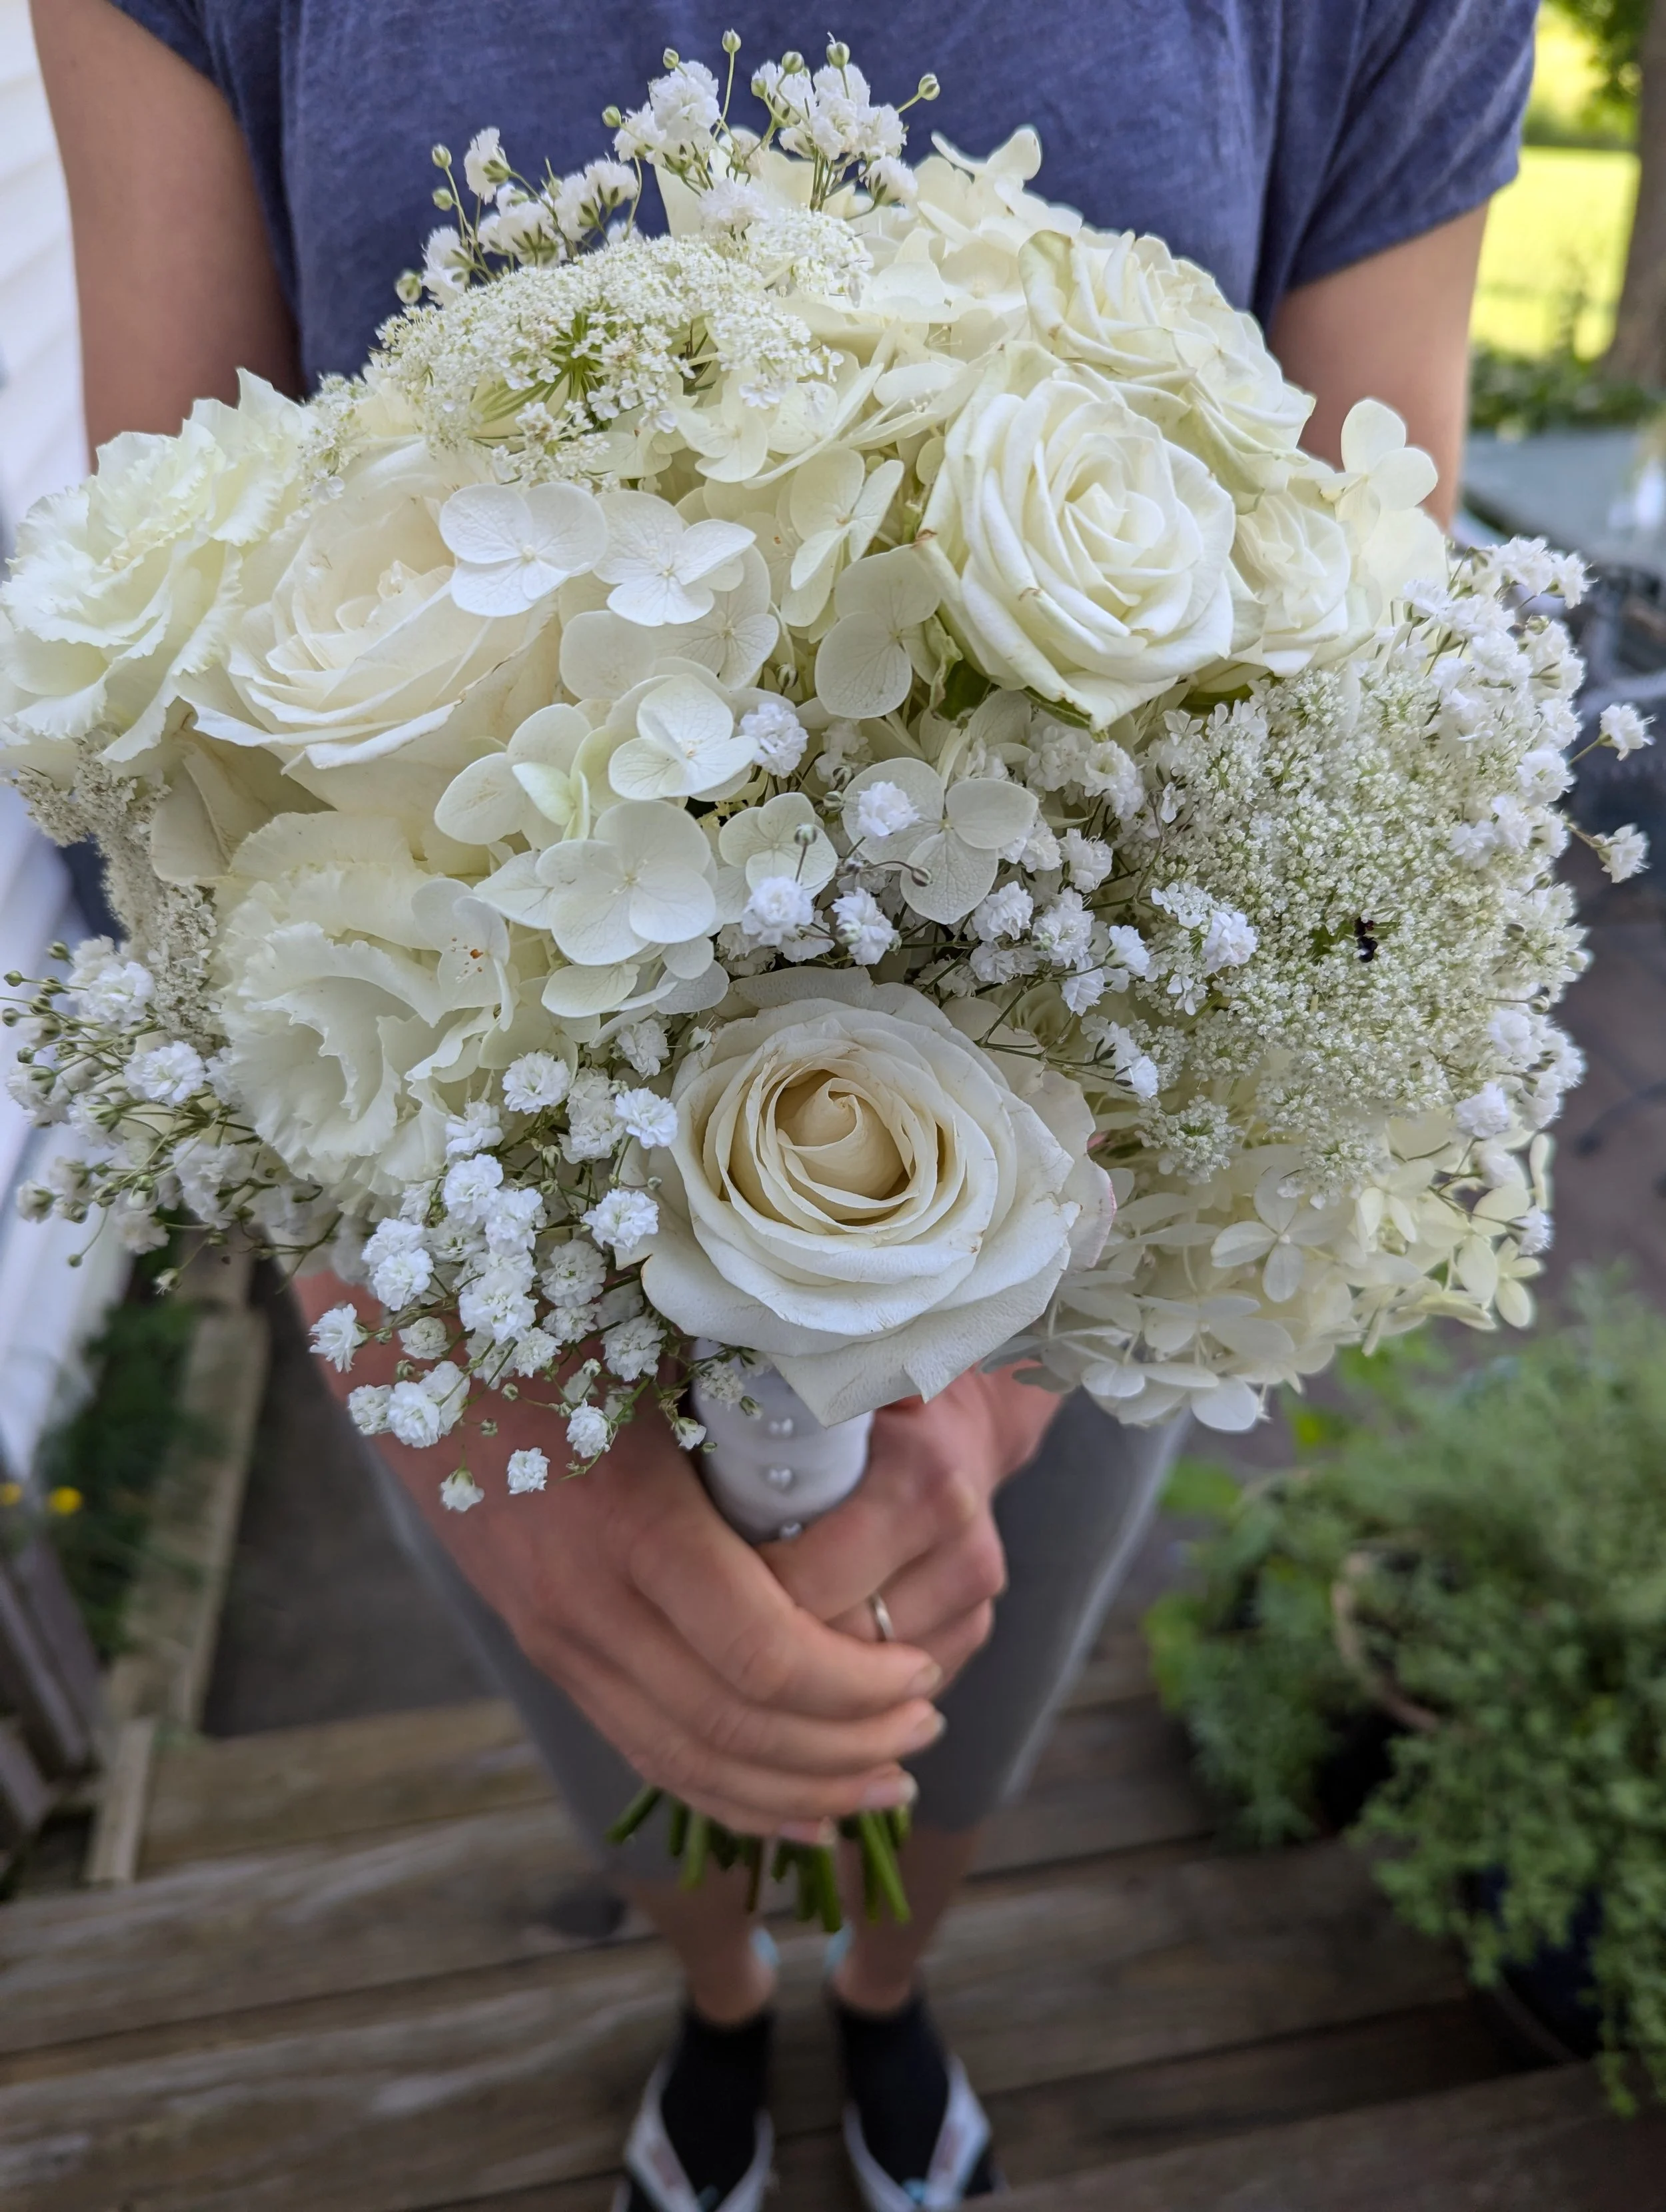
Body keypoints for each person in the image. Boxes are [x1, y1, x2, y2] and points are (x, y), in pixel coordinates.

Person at [35, 3, 1536, 2204]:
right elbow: (143, 696)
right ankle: (722, 2011)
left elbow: (1378, 674)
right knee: (630, 1708)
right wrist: (464, 1411)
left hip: (1089, 1183)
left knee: (940, 1698)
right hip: (455, 1209)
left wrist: (979, 1347)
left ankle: (882, 2003)